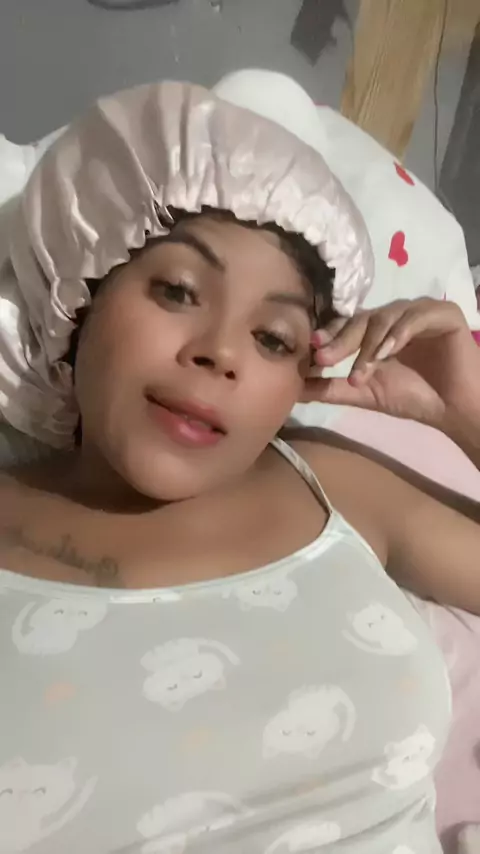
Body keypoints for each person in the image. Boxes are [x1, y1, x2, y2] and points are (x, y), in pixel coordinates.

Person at [0, 78, 479, 854]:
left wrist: (464, 413)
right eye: (178, 290)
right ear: (78, 296)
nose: (221, 351)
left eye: (273, 338)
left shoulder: (333, 487)